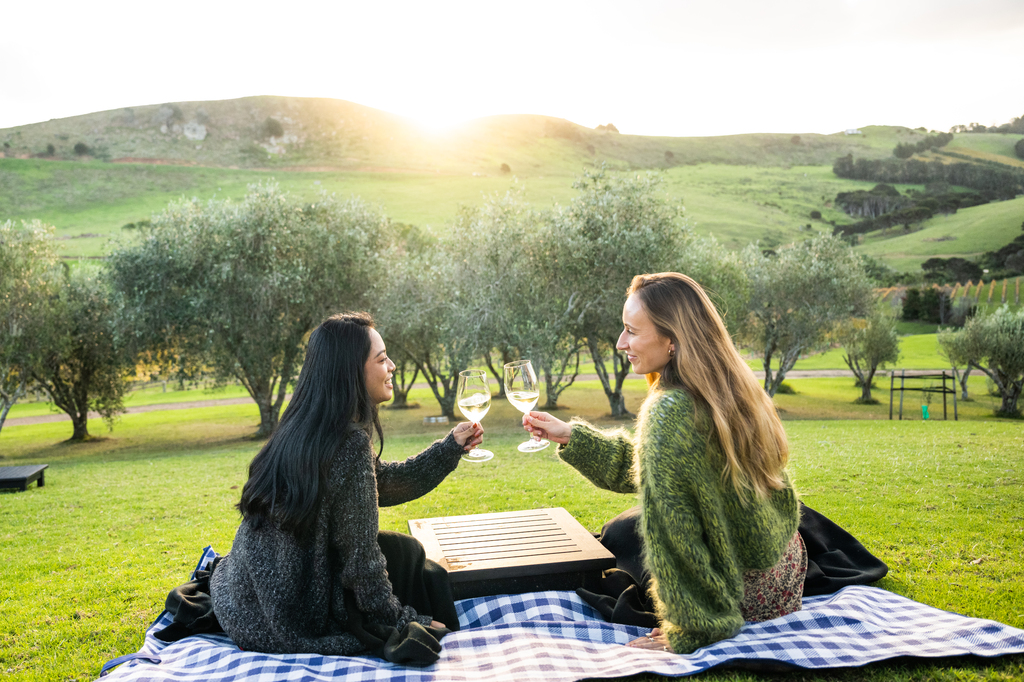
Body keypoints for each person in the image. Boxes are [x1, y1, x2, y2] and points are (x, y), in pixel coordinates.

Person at [522, 273, 805, 655]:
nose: (621, 343)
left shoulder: (669, 408)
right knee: (623, 530)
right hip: (785, 573)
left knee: (622, 537)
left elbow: (674, 529)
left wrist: (692, 627)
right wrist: (573, 437)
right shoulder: (728, 385)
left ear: (672, 339)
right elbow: (657, 470)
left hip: (737, 594)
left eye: (631, 331)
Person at [207, 312, 483, 660]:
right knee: (413, 562)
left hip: (248, 601)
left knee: (403, 551)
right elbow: (362, 565)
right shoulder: (347, 443)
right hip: (294, 613)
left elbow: (382, 483)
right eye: (382, 359)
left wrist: (449, 448)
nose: (393, 366)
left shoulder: (304, 425)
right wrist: (404, 621)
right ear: (350, 370)